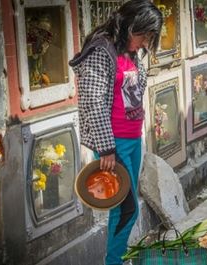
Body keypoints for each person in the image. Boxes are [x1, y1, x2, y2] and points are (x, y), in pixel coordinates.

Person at [68, 1, 162, 264]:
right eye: (144, 36)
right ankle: (113, 261)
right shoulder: (101, 49)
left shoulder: (129, 50)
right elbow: (93, 101)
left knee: (124, 207)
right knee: (127, 209)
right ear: (131, 26)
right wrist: (106, 148)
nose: (145, 43)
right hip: (115, 144)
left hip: (132, 139)